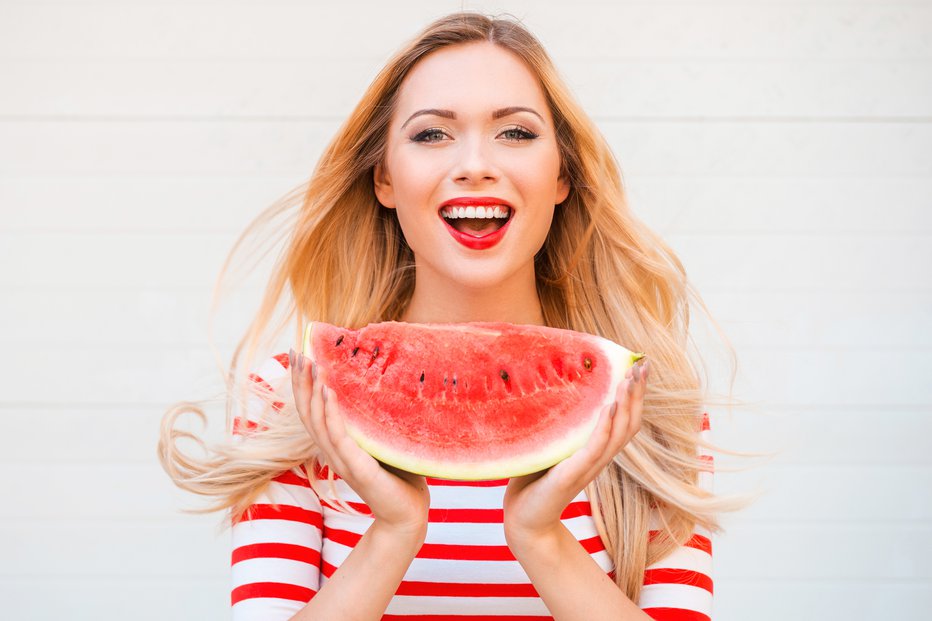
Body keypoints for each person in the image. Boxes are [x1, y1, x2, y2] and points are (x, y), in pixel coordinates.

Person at [159, 11, 755, 621]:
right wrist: (391, 534)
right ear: (385, 177)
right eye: (431, 134)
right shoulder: (291, 399)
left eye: (516, 133)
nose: (475, 164)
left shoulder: (646, 413)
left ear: (562, 177)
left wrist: (542, 538)